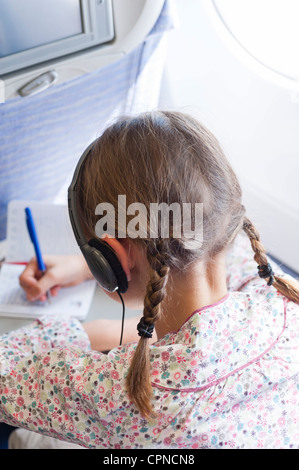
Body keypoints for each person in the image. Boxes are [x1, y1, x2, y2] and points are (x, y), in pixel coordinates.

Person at [1, 111, 299, 449]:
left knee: (26, 439)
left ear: (111, 258)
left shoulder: (119, 394)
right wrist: (82, 267)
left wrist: (81, 332)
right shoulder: (284, 299)